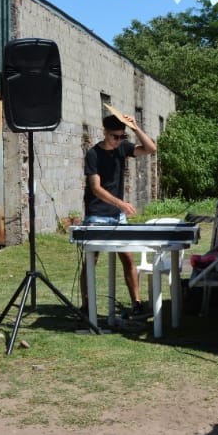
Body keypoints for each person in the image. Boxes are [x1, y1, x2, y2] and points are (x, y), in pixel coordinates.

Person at [80, 112, 157, 319]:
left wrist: (135, 128)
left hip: (117, 216)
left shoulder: (123, 148)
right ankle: (86, 305)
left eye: (122, 137)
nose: (119, 141)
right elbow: (95, 188)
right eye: (115, 136)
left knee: (128, 258)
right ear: (105, 133)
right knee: (91, 259)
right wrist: (121, 203)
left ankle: (137, 303)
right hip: (97, 215)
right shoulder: (93, 154)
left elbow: (151, 148)